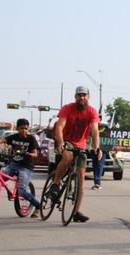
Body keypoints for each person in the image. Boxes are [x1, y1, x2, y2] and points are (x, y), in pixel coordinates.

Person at [47, 86, 102, 223]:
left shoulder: (92, 112)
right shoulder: (67, 108)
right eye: (79, 95)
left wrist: (97, 148)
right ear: (75, 97)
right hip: (66, 141)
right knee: (67, 156)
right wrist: (60, 143)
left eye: (84, 95)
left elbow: (95, 131)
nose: (81, 97)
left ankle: (76, 211)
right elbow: (59, 126)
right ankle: (55, 184)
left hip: (81, 145)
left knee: (81, 181)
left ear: (88, 97)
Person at [0, 119, 42, 218]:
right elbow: (0, 141)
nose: (24, 130)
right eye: (21, 128)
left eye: (26, 129)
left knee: (22, 191)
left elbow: (35, 154)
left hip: (26, 167)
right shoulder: (13, 137)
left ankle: (38, 206)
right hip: (14, 164)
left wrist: (27, 153)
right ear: (17, 128)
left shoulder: (31, 139)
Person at [88, 118, 106, 190]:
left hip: (102, 149)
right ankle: (96, 182)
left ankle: (97, 183)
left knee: (99, 165)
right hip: (93, 149)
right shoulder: (91, 126)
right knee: (95, 165)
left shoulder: (105, 127)